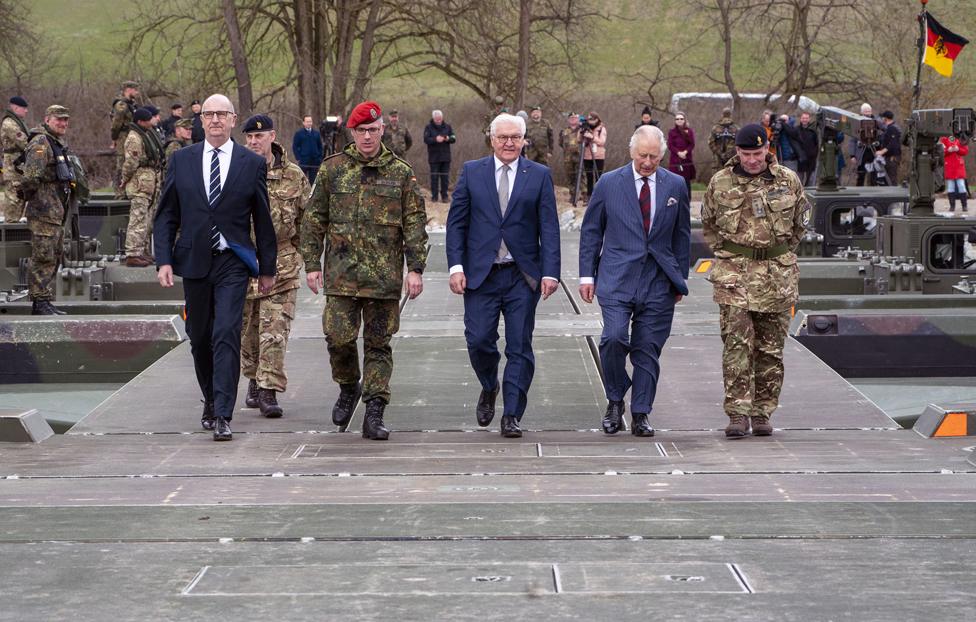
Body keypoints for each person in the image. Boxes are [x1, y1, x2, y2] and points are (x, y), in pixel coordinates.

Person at [300, 100, 428, 441]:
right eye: (361, 131)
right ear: (352, 132)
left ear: (382, 130)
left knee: (378, 344)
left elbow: (415, 222)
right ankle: (347, 385)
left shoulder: (400, 172)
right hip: (341, 276)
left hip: (383, 279)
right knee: (337, 338)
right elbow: (314, 220)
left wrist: (415, 268)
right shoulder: (333, 170)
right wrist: (311, 264)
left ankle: (374, 410)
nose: (368, 137)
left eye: (373, 130)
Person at [154, 93, 277, 441]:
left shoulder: (250, 163)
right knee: (200, 338)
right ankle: (210, 398)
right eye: (209, 114)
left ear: (233, 119)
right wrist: (163, 259)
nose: (215, 120)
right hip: (194, 260)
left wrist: (267, 267)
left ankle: (224, 412)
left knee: (226, 333)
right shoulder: (183, 160)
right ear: (201, 120)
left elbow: (263, 220)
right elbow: (166, 215)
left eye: (222, 114)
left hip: (232, 262)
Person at [446, 113, 560, 438]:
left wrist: (550, 272)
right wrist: (456, 266)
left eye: (515, 137)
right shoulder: (472, 172)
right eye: (503, 137)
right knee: (479, 339)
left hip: (522, 276)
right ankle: (488, 384)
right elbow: (456, 224)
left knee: (520, 346)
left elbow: (549, 227)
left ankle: (512, 414)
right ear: (491, 139)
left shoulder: (538, 175)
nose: (509, 143)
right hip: (481, 276)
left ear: (524, 140)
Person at [578, 125, 691, 437]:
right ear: (631, 152)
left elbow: (682, 235)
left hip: (659, 280)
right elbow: (591, 232)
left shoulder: (676, 185)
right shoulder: (608, 183)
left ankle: (641, 412)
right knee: (613, 338)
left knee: (647, 348)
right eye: (643, 155)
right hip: (616, 277)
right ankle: (616, 399)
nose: (648, 162)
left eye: (654, 156)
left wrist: (679, 277)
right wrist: (587, 275)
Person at [700, 124, 809, 438]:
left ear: (768, 149)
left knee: (771, 350)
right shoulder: (720, 183)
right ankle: (737, 413)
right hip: (735, 277)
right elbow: (708, 223)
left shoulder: (788, 181)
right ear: (737, 151)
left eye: (757, 153)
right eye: (746, 154)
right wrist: (729, 254)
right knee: (736, 348)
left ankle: (762, 412)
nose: (751, 160)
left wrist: (779, 254)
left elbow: (800, 224)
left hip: (777, 277)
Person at [240, 114, 310, 418]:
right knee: (249, 330)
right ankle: (254, 378)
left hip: (282, 264)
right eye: (250, 138)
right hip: (243, 262)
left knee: (275, 330)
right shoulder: (236, 171)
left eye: (260, 136)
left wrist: (310, 259)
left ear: (273, 137)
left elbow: (307, 219)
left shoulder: (294, 176)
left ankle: (269, 390)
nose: (255, 142)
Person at [19, 105, 76, 316]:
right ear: (48, 119)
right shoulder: (41, 143)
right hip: (44, 211)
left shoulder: (56, 143)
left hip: (55, 211)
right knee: (43, 255)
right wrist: (36, 199)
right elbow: (30, 177)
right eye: (58, 119)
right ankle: (39, 302)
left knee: (54, 255)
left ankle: (45, 299)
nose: (62, 123)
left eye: (65, 120)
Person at [120, 107, 165, 267]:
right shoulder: (134, 138)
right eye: (148, 120)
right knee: (138, 218)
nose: (151, 122)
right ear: (140, 122)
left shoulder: (145, 134)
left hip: (149, 182)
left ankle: (142, 251)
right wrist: (124, 179)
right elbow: (131, 162)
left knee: (146, 218)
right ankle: (132, 253)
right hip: (139, 183)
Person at [1, 96, 30, 223]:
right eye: (24, 108)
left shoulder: (17, 122)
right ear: (16, 107)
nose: (26, 111)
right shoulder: (10, 123)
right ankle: (9, 229)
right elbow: (23, 142)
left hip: (18, 166)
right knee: (13, 199)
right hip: (12, 167)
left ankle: (13, 225)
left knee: (19, 197)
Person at [110, 81, 140, 196]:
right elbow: (116, 124)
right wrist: (114, 138)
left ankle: (128, 189)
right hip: (123, 137)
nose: (137, 92)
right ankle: (119, 191)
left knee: (130, 162)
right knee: (121, 163)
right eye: (135, 90)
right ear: (128, 89)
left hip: (131, 137)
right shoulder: (121, 105)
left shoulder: (131, 104)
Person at [423, 109, 455, 202]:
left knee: (445, 178)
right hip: (434, 157)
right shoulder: (428, 127)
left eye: (440, 119)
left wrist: (448, 138)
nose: (438, 120)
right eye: (437, 119)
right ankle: (434, 196)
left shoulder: (447, 127)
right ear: (433, 118)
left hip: (446, 157)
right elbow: (426, 139)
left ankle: (445, 196)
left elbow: (454, 137)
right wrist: (435, 139)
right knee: (434, 178)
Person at [780, 111, 818, 186]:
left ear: (809, 119)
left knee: (811, 181)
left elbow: (817, 143)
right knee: (799, 180)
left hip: (812, 159)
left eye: (806, 118)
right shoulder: (797, 129)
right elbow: (789, 131)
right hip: (801, 159)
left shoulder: (813, 130)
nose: (805, 120)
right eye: (803, 118)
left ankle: (809, 196)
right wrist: (782, 123)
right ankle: (800, 195)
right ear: (800, 119)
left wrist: (815, 153)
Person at [666, 111, 696, 196]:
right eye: (677, 119)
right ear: (675, 121)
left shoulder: (689, 131)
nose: (679, 120)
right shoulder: (672, 132)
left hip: (686, 160)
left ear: (684, 120)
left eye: (681, 119)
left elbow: (692, 144)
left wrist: (685, 152)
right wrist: (678, 153)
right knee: (674, 181)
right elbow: (670, 145)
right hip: (675, 161)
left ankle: (687, 201)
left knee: (686, 182)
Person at [581, 111, 607, 200]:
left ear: (596, 119)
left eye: (591, 119)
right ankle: (589, 196)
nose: (589, 121)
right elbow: (579, 140)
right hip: (587, 155)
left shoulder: (601, 128)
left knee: (598, 177)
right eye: (588, 119)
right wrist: (581, 131)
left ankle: (599, 196)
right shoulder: (585, 127)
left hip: (598, 156)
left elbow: (602, 142)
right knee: (589, 177)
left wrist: (592, 137)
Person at [291, 114, 324, 183]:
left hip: (315, 162)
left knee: (314, 181)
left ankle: (312, 194)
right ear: (303, 123)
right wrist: (298, 158)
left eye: (310, 121)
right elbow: (295, 146)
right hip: (303, 161)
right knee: (302, 181)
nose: (309, 123)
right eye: (307, 121)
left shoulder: (316, 133)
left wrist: (320, 158)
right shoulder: (299, 133)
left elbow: (320, 146)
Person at [850, 102, 877, 186]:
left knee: (873, 173)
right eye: (865, 111)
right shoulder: (857, 122)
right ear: (861, 112)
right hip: (861, 152)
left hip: (872, 150)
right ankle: (859, 189)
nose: (867, 113)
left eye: (869, 111)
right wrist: (852, 155)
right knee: (861, 174)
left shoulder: (876, 122)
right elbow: (852, 140)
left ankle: (873, 189)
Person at [941, 134, 969, 213]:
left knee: (961, 186)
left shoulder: (961, 137)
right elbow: (940, 152)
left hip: (959, 166)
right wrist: (947, 150)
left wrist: (958, 149)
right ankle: (952, 206)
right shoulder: (944, 138)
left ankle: (964, 206)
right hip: (949, 166)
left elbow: (965, 151)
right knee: (950, 187)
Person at [558, 112, 582, 202]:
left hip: (580, 157)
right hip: (568, 158)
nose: (573, 119)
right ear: (568, 120)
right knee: (570, 176)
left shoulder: (582, 130)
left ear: (578, 119)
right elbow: (560, 143)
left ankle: (582, 194)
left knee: (581, 176)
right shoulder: (564, 131)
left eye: (575, 118)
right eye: (571, 118)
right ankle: (573, 195)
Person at [708, 107, 739, 172]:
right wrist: (730, 153)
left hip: (717, 159)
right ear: (730, 115)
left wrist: (719, 153)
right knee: (731, 177)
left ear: (722, 115)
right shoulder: (736, 128)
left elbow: (710, 142)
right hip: (732, 158)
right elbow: (740, 143)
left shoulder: (715, 128)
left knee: (717, 178)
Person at [876, 110, 902, 186]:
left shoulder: (892, 128)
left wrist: (881, 152)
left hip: (892, 158)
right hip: (888, 157)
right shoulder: (888, 128)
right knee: (887, 180)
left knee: (891, 179)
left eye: (882, 118)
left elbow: (892, 144)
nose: (881, 120)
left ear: (885, 119)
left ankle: (894, 197)